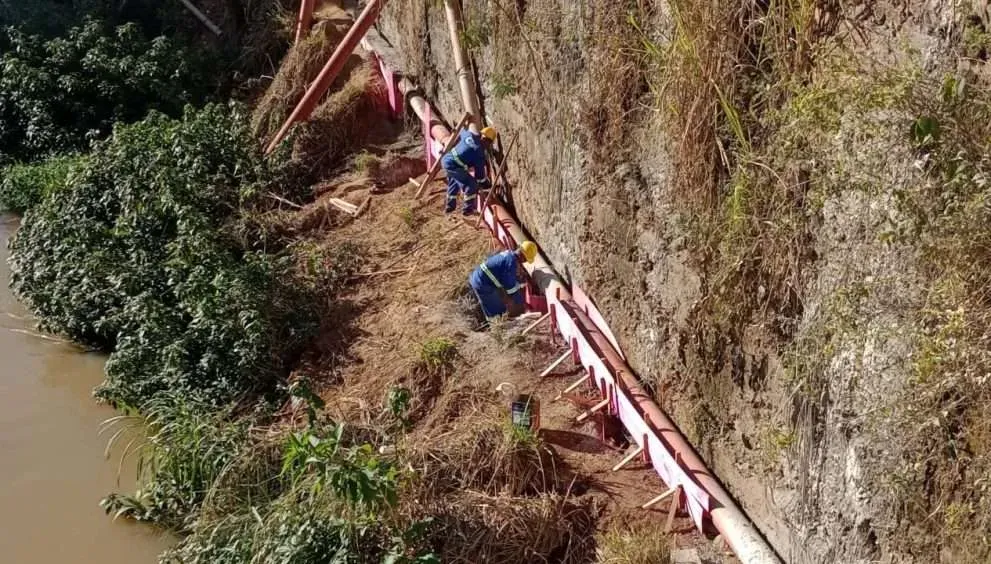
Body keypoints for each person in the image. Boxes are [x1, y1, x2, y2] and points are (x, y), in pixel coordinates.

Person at [469, 241, 538, 322]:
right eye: (526, 260)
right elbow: (510, 287)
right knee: (497, 312)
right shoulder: (511, 263)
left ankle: (496, 321)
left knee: (499, 306)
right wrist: (522, 303)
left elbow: (506, 277)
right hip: (482, 283)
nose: (524, 262)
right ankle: (495, 326)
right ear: (522, 256)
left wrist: (519, 283)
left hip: (479, 277)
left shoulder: (509, 255)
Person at [442, 125, 497, 215]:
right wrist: (486, 184)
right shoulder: (479, 152)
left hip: (447, 159)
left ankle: (449, 207)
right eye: (489, 143)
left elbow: (462, 129)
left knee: (455, 181)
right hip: (454, 166)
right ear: (488, 141)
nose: (488, 146)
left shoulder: (469, 135)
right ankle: (467, 210)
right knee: (471, 184)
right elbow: (480, 177)